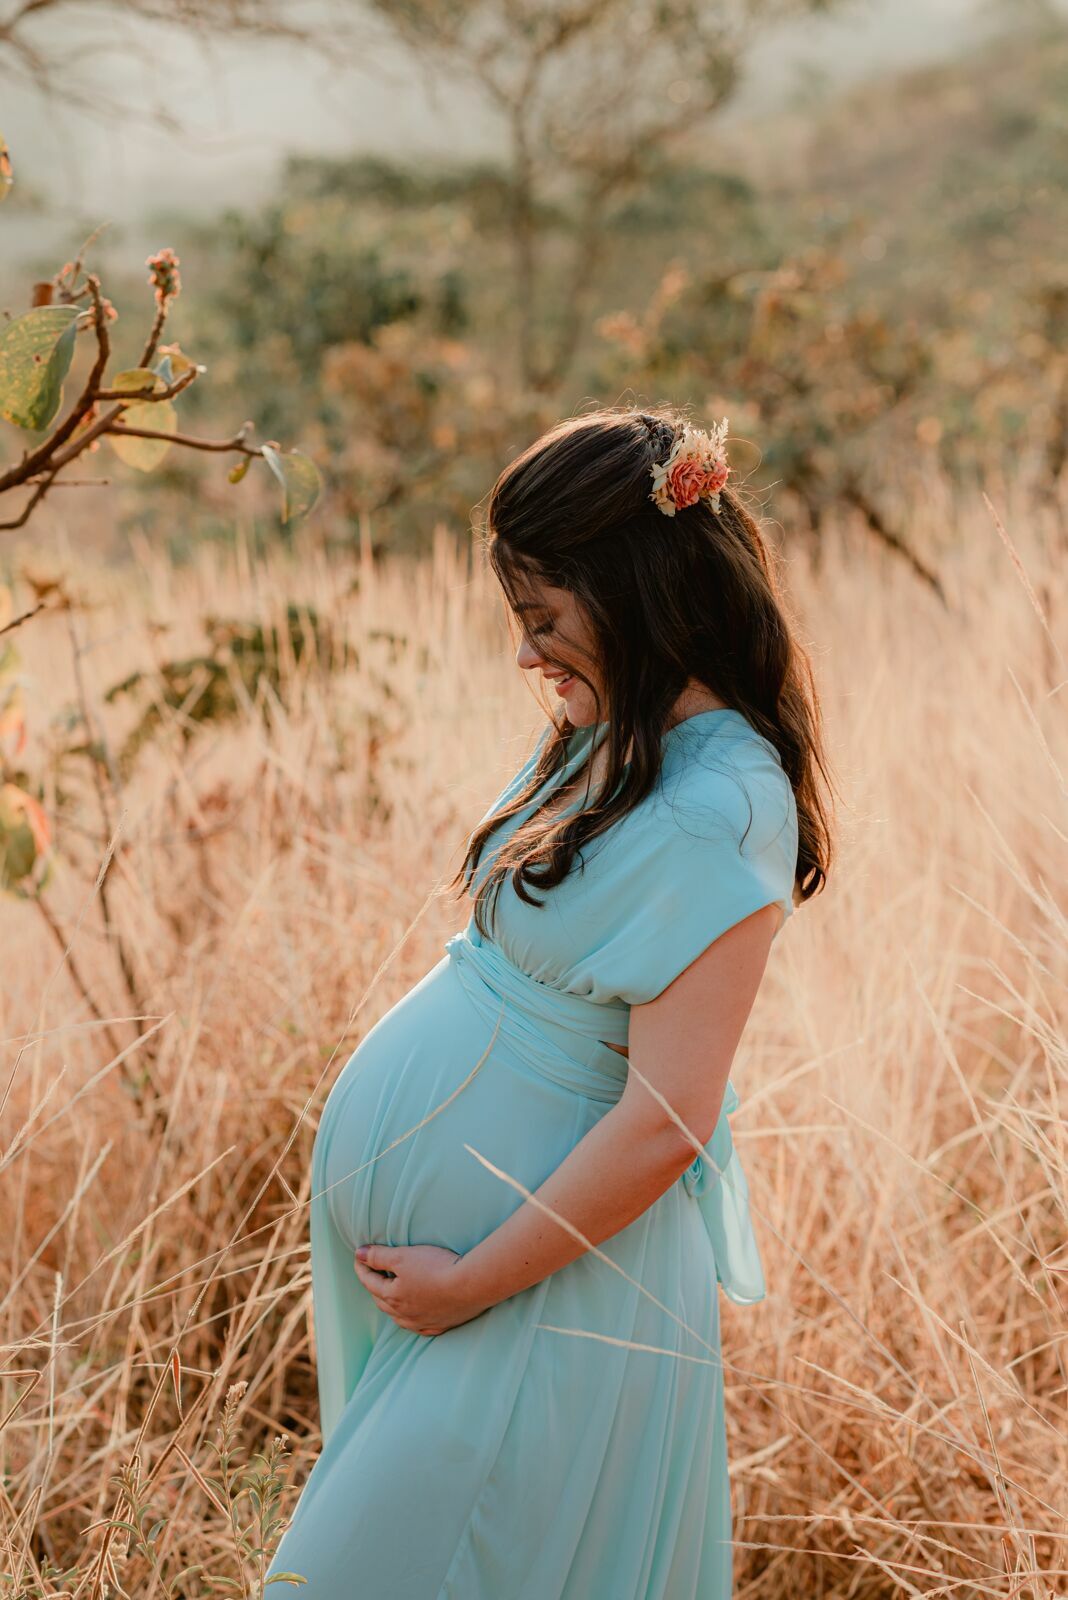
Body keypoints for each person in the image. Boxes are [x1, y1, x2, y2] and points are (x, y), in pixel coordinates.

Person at [266, 405, 833, 1598]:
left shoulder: (728, 801)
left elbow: (667, 1115)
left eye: (544, 620)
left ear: (634, 590)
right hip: (479, 1297)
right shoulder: (613, 735)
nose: (527, 656)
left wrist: (471, 1281)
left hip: (541, 1296)